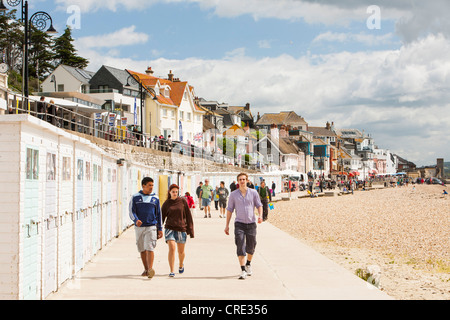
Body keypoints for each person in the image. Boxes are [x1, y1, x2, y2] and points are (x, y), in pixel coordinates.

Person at [225, 172, 263, 280]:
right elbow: (229, 210)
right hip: (239, 224)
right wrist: (227, 225)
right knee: (240, 244)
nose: (242, 181)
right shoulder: (233, 194)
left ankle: (248, 264)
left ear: (247, 180)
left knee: (251, 246)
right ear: (238, 182)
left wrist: (260, 216)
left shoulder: (254, 192)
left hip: (251, 223)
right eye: (240, 179)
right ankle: (242, 270)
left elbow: (259, 205)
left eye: (243, 179)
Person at [129, 177, 163, 279]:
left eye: (152, 185)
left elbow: (158, 214)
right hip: (139, 228)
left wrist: (160, 228)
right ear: (143, 186)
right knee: (142, 249)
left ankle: (150, 269)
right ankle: (146, 268)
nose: (151, 187)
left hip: (151, 227)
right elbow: (131, 211)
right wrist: (136, 220)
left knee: (150, 248)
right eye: (149, 185)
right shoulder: (135, 197)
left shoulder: (155, 198)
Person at [162, 184, 194, 277]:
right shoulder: (166, 203)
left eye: (176, 192)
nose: (175, 193)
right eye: (173, 192)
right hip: (169, 228)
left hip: (181, 228)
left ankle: (181, 264)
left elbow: (188, 216)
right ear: (169, 192)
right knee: (171, 248)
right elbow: (162, 217)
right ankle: (171, 270)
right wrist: (158, 230)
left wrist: (190, 230)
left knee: (181, 252)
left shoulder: (183, 201)